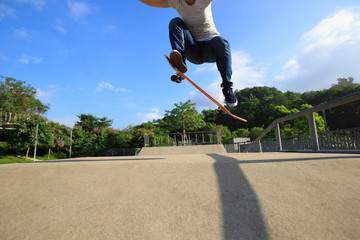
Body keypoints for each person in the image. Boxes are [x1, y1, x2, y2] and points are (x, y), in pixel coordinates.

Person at [138, 0, 238, 107]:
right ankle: (180, 58)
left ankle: (227, 88)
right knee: (175, 22)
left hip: (211, 49)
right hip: (193, 51)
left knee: (221, 41)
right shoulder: (177, 2)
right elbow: (152, 2)